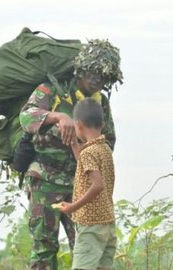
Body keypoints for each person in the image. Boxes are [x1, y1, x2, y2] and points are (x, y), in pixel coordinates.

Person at [19, 39, 122, 270]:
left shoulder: (100, 103)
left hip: (80, 184)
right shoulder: (51, 90)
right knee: (44, 249)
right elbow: (26, 117)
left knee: (87, 248)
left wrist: (85, 150)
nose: (97, 79)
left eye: (104, 76)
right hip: (45, 181)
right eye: (93, 72)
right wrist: (58, 117)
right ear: (81, 68)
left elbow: (109, 139)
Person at [55, 98, 117, 270]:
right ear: (102, 124)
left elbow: (97, 186)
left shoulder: (89, 153)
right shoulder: (104, 149)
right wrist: (74, 144)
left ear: (78, 125)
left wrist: (72, 207)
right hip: (107, 223)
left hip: (91, 225)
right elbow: (84, 163)